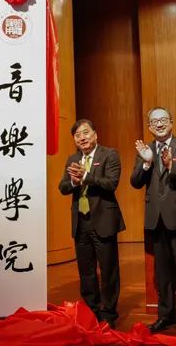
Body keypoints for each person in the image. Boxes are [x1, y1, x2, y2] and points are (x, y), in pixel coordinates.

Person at [130, 107, 176, 337]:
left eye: (162, 120)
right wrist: (147, 164)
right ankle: (166, 316)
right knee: (163, 274)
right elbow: (135, 182)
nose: (158, 124)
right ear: (149, 127)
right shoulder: (145, 150)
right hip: (156, 220)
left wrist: (171, 166)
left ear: (171, 122)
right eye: (154, 121)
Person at [58, 119, 125, 329]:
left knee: (108, 271)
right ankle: (91, 311)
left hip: (103, 220)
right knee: (86, 272)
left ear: (95, 134)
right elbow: (62, 187)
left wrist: (86, 176)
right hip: (81, 223)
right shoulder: (72, 159)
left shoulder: (109, 154)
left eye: (85, 133)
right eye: (77, 135)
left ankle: (108, 313)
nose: (82, 138)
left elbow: (111, 183)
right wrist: (73, 182)